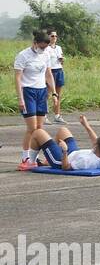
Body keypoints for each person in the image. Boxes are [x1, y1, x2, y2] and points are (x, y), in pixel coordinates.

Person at [14, 30, 56, 170]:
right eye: (41, 47)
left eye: (45, 47)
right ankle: (25, 157)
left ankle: (34, 157)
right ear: (35, 43)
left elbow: (48, 74)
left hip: (41, 91)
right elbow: (18, 78)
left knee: (39, 129)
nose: (43, 49)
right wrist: (20, 99)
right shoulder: (23, 55)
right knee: (31, 129)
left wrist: (54, 93)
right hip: (28, 92)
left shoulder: (46, 54)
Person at [31, 115, 100, 171]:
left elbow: (65, 167)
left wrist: (64, 150)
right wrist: (86, 125)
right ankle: (47, 160)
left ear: (96, 146)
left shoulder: (85, 161)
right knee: (63, 130)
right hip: (74, 153)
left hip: (61, 160)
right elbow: (96, 141)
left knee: (38, 133)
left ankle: (31, 162)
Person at [45, 29, 66, 124]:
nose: (54, 38)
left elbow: (61, 60)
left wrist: (62, 60)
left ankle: (57, 115)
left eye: (56, 36)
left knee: (58, 95)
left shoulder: (58, 48)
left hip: (59, 70)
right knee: (47, 94)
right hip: (50, 71)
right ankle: (44, 115)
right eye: (52, 36)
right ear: (48, 37)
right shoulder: (46, 48)